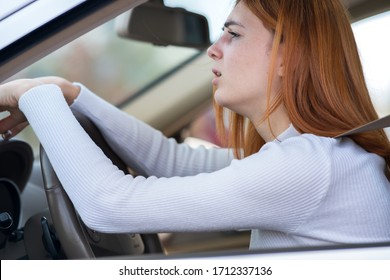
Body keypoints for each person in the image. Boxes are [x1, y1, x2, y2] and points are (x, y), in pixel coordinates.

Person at [1, 0, 390, 250]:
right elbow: (173, 161)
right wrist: (72, 94)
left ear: (289, 57)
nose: (213, 48)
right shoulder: (319, 156)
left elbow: (109, 204)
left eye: (233, 34)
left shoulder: (310, 167)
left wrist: (30, 94)